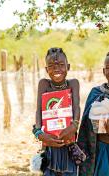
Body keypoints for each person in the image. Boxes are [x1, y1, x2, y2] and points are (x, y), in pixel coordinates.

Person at [33, 47, 80, 176]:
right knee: (50, 171)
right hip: (49, 141)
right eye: (51, 66)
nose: (56, 69)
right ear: (46, 69)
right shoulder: (44, 84)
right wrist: (39, 132)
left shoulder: (73, 83)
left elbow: (77, 107)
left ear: (68, 66)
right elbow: (39, 110)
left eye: (60, 65)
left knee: (69, 172)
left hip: (69, 141)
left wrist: (74, 126)